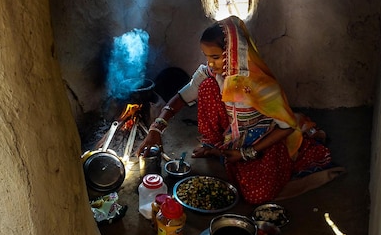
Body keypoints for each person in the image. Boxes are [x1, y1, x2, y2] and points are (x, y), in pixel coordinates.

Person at [136, 15, 338, 205]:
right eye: (207, 57)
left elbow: (285, 127)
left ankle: (231, 156)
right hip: (233, 134)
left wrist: (246, 153)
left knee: (255, 195)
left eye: (215, 57)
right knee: (206, 87)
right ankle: (219, 149)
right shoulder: (211, 72)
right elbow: (180, 97)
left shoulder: (261, 85)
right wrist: (156, 128)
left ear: (233, 53)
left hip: (263, 140)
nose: (210, 64)